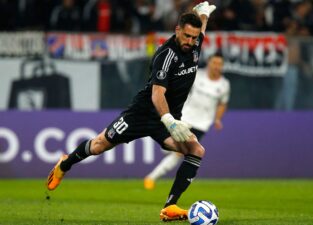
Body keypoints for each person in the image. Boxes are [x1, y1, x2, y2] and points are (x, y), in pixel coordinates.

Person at [46, 1, 216, 222]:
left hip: (165, 121)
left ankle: (169, 207)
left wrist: (202, 14)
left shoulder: (195, 43)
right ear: (177, 31)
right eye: (187, 37)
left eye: (194, 38)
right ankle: (65, 164)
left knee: (196, 150)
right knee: (98, 145)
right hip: (143, 114)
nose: (191, 42)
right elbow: (157, 94)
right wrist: (170, 121)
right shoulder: (166, 56)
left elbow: (201, 27)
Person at [144, 53, 230, 190]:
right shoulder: (197, 75)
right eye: (214, 63)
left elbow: (222, 103)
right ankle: (154, 174)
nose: (216, 66)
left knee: (180, 152)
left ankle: (151, 178)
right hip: (185, 117)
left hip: (202, 124)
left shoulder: (224, 84)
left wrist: (218, 119)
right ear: (209, 63)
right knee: (179, 150)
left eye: (219, 64)